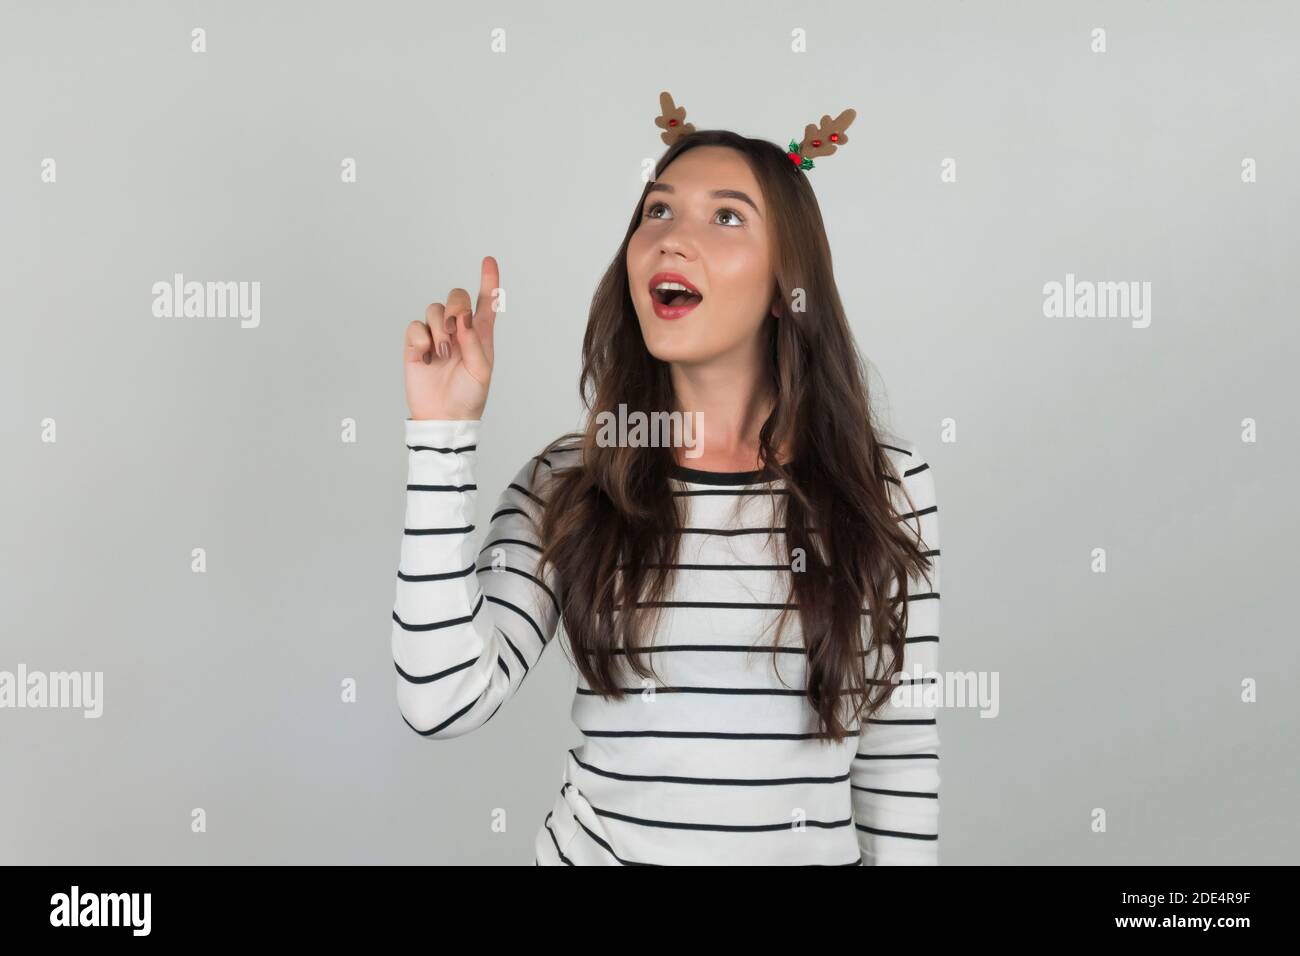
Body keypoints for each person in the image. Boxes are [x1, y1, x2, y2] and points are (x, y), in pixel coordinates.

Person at [393, 125, 941, 865]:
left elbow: (898, 762)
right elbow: (440, 698)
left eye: (726, 216)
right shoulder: (572, 482)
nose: (672, 240)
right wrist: (441, 436)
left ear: (788, 288)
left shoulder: (887, 486)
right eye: (657, 212)